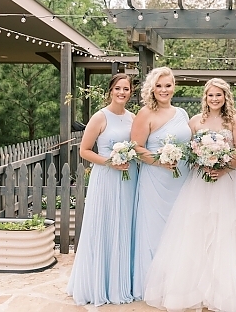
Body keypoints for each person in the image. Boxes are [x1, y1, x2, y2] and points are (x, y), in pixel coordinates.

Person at [143, 78, 236, 312]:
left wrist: (223, 167)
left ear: (225, 97)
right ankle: (196, 288)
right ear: (205, 97)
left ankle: (226, 290)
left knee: (229, 232)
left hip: (228, 181)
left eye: (219, 95)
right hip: (200, 181)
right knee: (197, 230)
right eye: (211, 95)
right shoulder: (194, 121)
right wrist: (203, 161)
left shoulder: (233, 121)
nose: (215, 99)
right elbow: (189, 150)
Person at [67, 73, 137, 306]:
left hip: (129, 179)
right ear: (110, 90)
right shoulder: (100, 117)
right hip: (106, 178)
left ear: (131, 92)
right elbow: (84, 150)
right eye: (118, 88)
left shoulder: (132, 118)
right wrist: (110, 162)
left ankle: (120, 282)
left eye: (126, 89)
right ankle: (98, 283)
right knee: (105, 225)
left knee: (124, 225)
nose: (122, 93)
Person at [131, 66, 192, 300]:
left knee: (181, 230)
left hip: (182, 179)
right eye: (159, 86)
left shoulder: (182, 113)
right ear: (151, 88)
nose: (164, 90)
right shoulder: (145, 113)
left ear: (173, 87)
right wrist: (160, 160)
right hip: (155, 180)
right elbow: (136, 147)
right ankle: (153, 287)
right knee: (156, 230)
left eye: (167, 85)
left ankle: (178, 284)